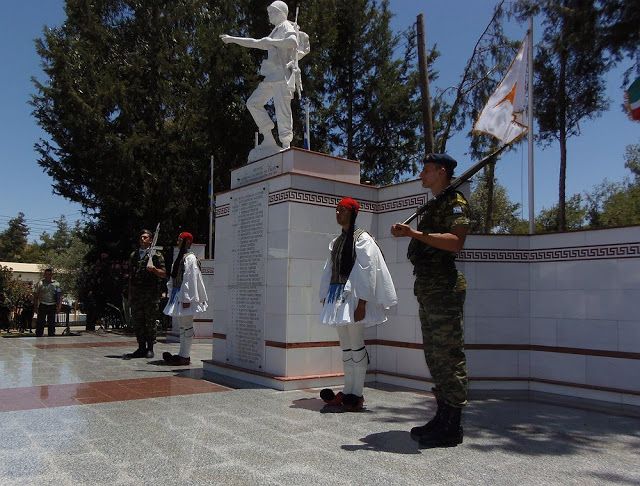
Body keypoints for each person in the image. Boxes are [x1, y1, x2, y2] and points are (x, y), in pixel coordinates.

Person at [390, 153, 470, 448]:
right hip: (428, 287)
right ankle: (442, 416)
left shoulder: (455, 202)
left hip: (444, 288)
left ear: (441, 171)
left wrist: (414, 233)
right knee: (435, 355)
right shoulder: (436, 203)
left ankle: (453, 425)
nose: (421, 174)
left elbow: (456, 242)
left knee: (449, 355)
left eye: (426, 170)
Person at [318, 197, 397, 411]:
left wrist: (362, 303)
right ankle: (347, 389)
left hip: (354, 297)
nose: (337, 213)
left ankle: (358, 393)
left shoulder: (362, 239)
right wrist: (325, 296)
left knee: (356, 341)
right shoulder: (337, 241)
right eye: (336, 210)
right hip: (337, 297)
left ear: (352, 213)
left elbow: (367, 271)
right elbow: (329, 269)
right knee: (345, 345)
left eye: (342, 210)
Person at [220, 1, 309, 160]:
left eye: (271, 12)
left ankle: (285, 145)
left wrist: (271, 42)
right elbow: (254, 42)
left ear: (280, 13)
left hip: (282, 76)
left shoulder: (285, 26)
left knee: (283, 110)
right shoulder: (275, 31)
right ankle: (268, 137)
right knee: (253, 102)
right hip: (271, 77)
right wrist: (232, 39)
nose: (269, 15)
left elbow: (292, 42)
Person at [163, 232, 208, 366]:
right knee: (182, 326)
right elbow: (173, 277)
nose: (178, 242)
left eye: (180, 240)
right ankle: (182, 354)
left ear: (188, 242)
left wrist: (187, 299)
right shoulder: (180, 257)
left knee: (187, 326)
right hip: (178, 295)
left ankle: (185, 355)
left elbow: (191, 279)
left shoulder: (190, 258)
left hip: (185, 296)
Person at [127, 229, 166, 358]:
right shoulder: (134, 255)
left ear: (150, 240)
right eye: (141, 237)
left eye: (145, 237)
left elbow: (163, 273)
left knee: (150, 321)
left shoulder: (156, 255)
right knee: (138, 321)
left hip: (151, 294)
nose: (142, 239)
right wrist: (130, 293)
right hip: (137, 293)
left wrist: (154, 269)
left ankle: (150, 347)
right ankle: (141, 347)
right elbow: (131, 276)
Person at [33, 268, 62, 336]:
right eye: (46, 274)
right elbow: (36, 296)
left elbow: (60, 296)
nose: (47, 276)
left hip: (52, 305)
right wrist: (35, 307)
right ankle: (39, 335)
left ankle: (51, 335)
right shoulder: (40, 283)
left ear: (51, 275)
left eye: (49, 274)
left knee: (51, 322)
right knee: (40, 322)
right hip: (43, 304)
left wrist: (59, 306)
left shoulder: (56, 284)